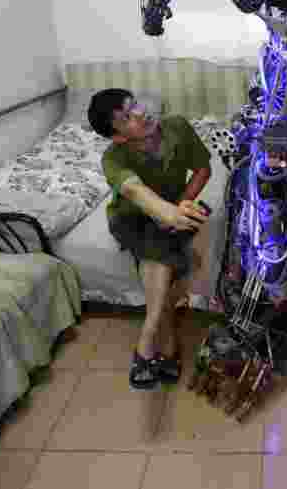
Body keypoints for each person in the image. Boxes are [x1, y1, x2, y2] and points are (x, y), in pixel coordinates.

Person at [88, 88, 212, 390]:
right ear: (118, 136)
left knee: (169, 255)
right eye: (127, 118)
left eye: (136, 106)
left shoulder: (178, 127)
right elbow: (133, 191)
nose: (141, 114)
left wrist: (181, 203)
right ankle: (158, 336)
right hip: (132, 219)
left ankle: (149, 338)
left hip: (174, 208)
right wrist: (167, 214)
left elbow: (203, 169)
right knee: (176, 256)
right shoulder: (113, 157)